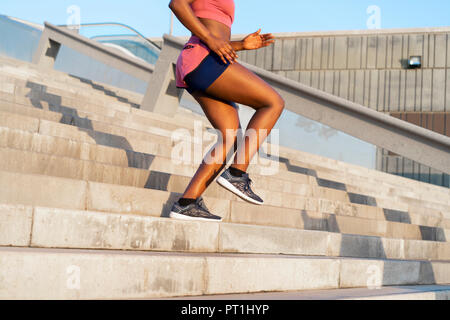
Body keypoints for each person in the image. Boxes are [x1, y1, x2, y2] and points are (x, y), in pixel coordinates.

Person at [168, 0, 285, 221]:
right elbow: (177, 4)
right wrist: (212, 39)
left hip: (203, 60)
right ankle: (237, 173)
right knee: (273, 102)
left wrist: (241, 45)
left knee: (230, 136)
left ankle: (187, 202)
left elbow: (216, 38)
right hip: (202, 59)